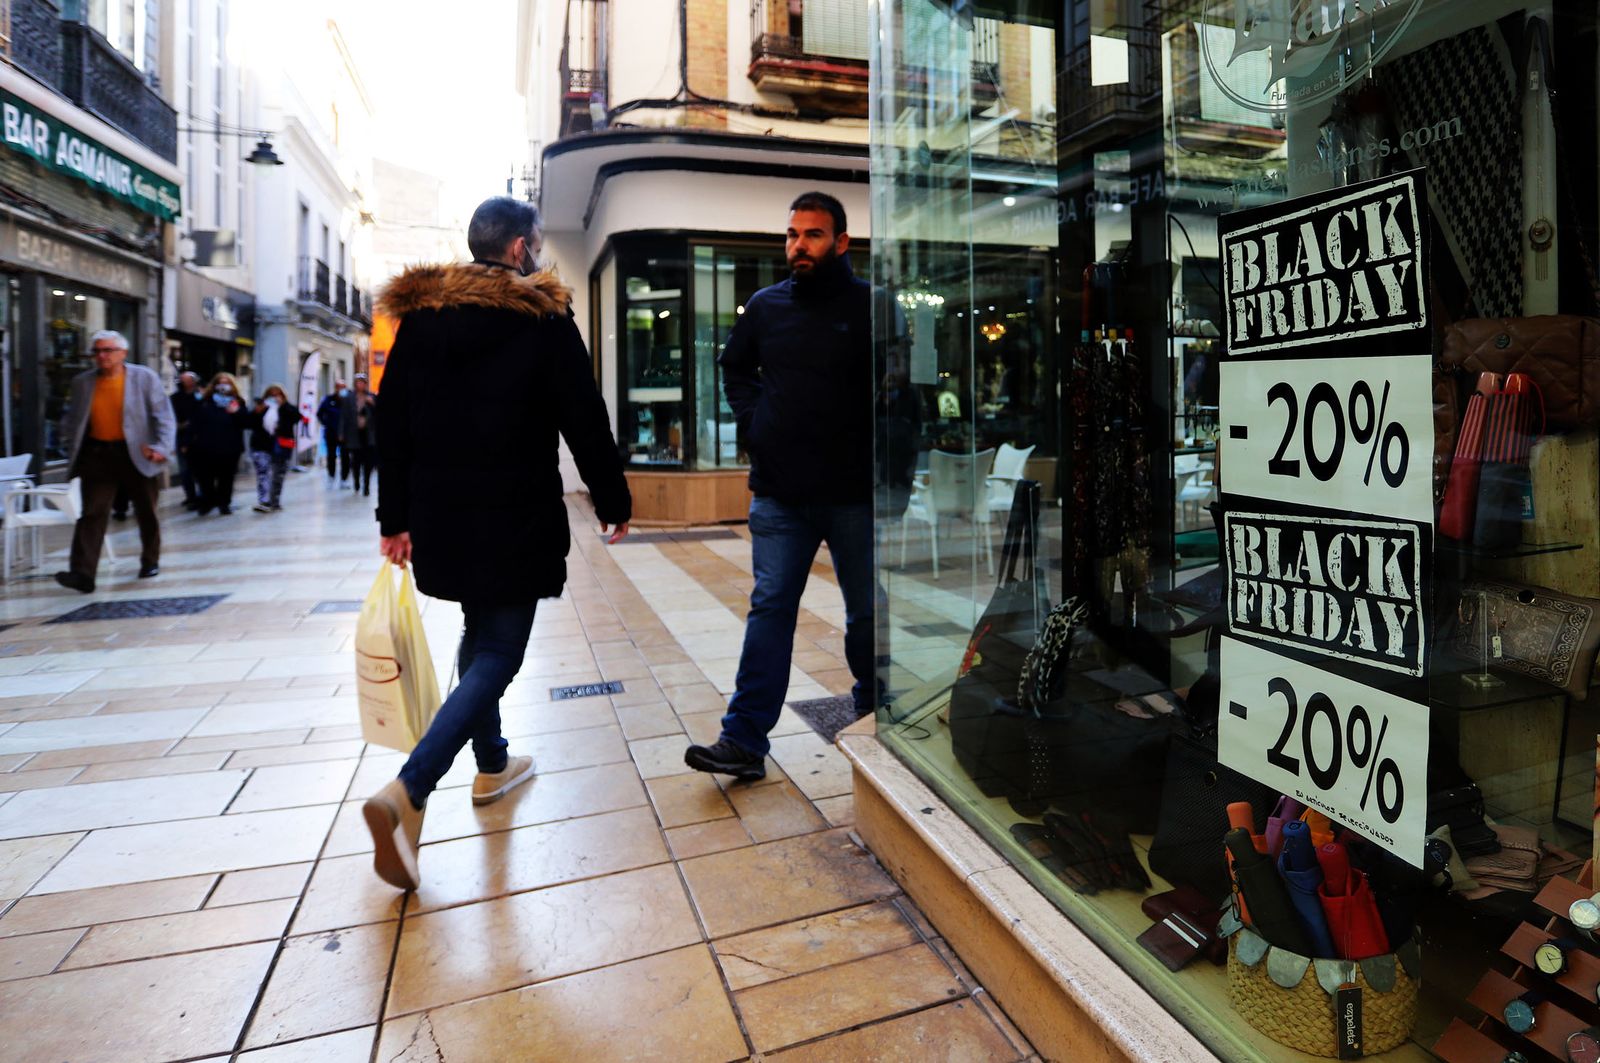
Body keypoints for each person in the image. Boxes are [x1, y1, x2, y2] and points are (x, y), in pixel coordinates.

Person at [363, 195, 632, 891]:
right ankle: (409, 789)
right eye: (536, 242)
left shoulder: (422, 321)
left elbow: (391, 423)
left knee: (478, 632)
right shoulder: (542, 318)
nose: (539, 252)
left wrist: (395, 517)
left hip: (444, 514)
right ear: (518, 249)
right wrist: (613, 498)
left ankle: (493, 762)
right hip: (515, 511)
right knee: (501, 653)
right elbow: (584, 417)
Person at [684, 191, 878, 782]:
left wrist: (893, 471)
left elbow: (900, 393)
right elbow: (734, 370)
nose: (799, 245)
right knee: (769, 610)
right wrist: (754, 424)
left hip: (855, 494)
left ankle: (878, 718)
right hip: (779, 495)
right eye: (792, 234)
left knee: (867, 616)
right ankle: (743, 741)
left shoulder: (873, 306)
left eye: (813, 235)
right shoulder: (766, 308)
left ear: (841, 243)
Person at [53, 330, 175, 592]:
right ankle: (83, 574)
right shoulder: (82, 382)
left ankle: (150, 560)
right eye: (96, 351)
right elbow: (73, 417)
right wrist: (67, 439)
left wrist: (161, 447)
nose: (101, 356)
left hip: (136, 453)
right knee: (92, 513)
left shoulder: (144, 378)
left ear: (123, 354)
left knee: (146, 510)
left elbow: (163, 416)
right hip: (98, 455)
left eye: (107, 350)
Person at [187, 373, 249, 515]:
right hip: (206, 447)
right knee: (205, 478)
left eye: (226, 382)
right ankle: (208, 502)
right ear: (214, 385)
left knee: (226, 478)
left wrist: (236, 412)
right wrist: (189, 442)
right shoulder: (205, 401)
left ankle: (224, 503)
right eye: (220, 382)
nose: (223, 385)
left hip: (230, 447)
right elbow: (195, 422)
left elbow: (245, 423)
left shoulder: (237, 402)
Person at [248, 384, 299, 513]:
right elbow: (251, 423)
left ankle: (274, 501)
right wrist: (258, 410)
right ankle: (265, 501)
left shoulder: (287, 409)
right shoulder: (262, 409)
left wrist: (281, 407)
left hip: (282, 446)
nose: (275, 398)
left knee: (278, 475)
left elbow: (296, 417)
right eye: (272, 395)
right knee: (263, 474)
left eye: (278, 395)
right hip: (263, 446)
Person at [340, 374, 377, 496]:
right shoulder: (349, 398)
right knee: (356, 461)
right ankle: (356, 482)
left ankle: (366, 485)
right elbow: (343, 417)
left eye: (362, 382)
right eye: (358, 382)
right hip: (354, 434)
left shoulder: (372, 397)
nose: (360, 384)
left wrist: (372, 404)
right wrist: (341, 433)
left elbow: (379, 415)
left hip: (368, 434)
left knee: (368, 461)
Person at [170, 371, 203, 508]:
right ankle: (190, 496)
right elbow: (170, 416)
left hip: (200, 436)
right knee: (185, 470)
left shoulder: (201, 396)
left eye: (189, 380)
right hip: (182, 436)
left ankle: (202, 495)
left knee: (200, 469)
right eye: (184, 380)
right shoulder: (176, 398)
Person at [317, 382, 347, 486]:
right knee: (331, 455)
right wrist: (326, 423)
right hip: (331, 432)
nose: (340, 389)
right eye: (338, 387)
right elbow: (319, 413)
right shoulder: (329, 399)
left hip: (345, 433)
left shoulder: (348, 400)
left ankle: (344, 478)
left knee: (345, 456)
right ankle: (331, 475)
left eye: (343, 387)